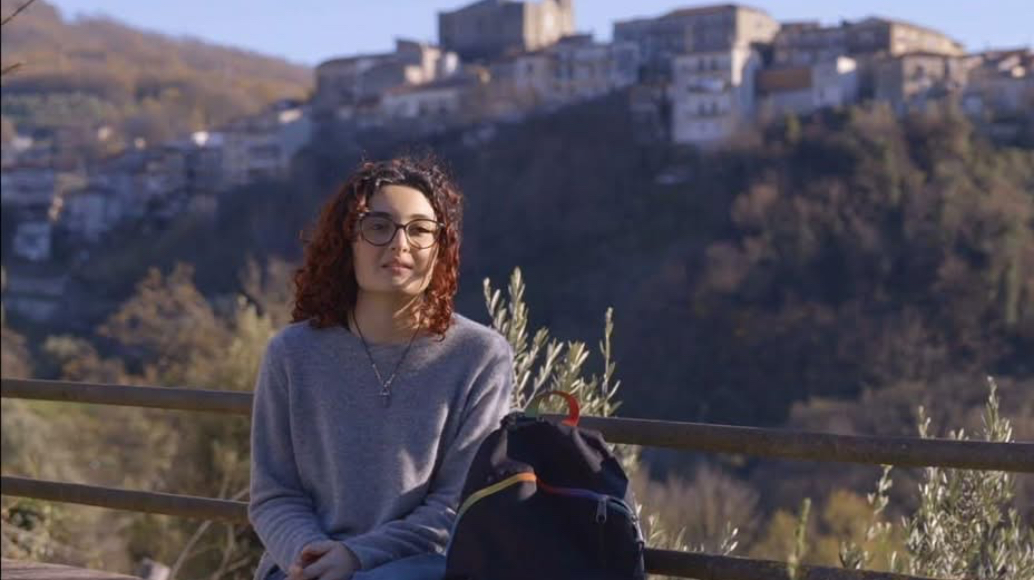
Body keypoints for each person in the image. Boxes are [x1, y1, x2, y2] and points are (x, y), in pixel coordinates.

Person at [248, 156, 515, 580]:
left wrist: (356, 558)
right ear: (346, 241)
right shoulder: (292, 354)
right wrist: (311, 556)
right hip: (303, 567)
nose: (400, 244)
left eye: (421, 230)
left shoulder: (480, 356)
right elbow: (274, 494)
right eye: (378, 226)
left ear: (441, 247)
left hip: (420, 567)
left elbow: (459, 503)